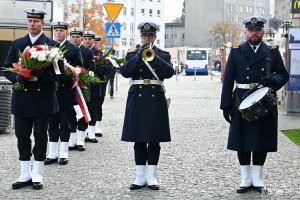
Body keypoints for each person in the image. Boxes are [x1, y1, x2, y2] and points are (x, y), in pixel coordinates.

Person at [220, 16, 289, 193]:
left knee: (261, 139)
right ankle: (245, 178)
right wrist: (225, 105)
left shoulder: (272, 52)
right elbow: (228, 79)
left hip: (264, 100)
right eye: (251, 30)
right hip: (242, 99)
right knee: (241, 139)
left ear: (263, 32)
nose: (254, 33)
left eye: (257, 30)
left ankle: (258, 178)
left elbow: (283, 74)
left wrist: (272, 81)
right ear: (246, 32)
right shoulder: (236, 51)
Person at [2, 8, 64, 190]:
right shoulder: (18, 43)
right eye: (29, 21)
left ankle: (37, 173)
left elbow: (59, 74)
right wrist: (17, 77)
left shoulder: (52, 45)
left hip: (43, 97)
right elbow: (7, 67)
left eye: (36, 21)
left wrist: (41, 73)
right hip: (22, 97)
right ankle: (24, 173)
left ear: (42, 23)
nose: (32, 24)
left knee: (40, 136)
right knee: (22, 136)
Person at [120, 22, 174, 190]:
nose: (147, 38)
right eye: (144, 36)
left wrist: (155, 58)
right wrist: (137, 57)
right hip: (137, 97)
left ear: (155, 37)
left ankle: (151, 176)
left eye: (150, 36)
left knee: (154, 139)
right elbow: (125, 72)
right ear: (140, 37)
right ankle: (139, 176)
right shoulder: (132, 55)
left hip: (155, 97)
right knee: (138, 140)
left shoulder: (163, 55)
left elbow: (169, 73)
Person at [45, 21, 83, 166]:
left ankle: (64, 153)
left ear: (66, 33)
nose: (59, 33)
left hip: (66, 91)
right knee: (52, 123)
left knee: (65, 122)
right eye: (57, 30)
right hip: (51, 92)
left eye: (62, 30)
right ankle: (52, 153)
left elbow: (79, 69)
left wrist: (67, 74)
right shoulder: (48, 47)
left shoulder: (73, 49)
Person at [68, 27, 95, 151]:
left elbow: (91, 68)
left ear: (82, 39)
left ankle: (81, 140)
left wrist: (83, 75)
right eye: (73, 36)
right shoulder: (65, 49)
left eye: (77, 37)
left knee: (83, 112)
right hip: (69, 86)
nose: (75, 39)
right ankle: (72, 140)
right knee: (71, 113)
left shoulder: (88, 52)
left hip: (82, 86)